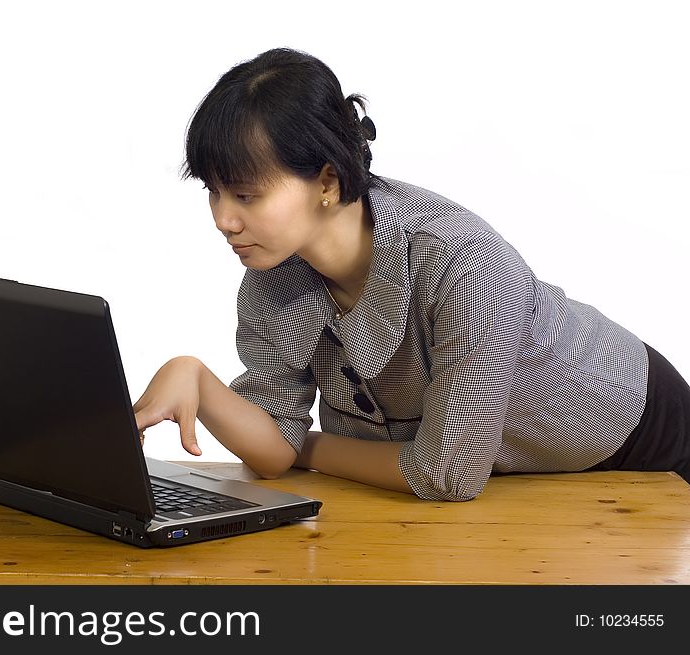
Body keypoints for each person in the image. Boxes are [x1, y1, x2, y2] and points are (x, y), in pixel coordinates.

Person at [132, 47, 690, 501]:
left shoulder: (456, 259)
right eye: (214, 192)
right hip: (526, 474)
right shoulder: (270, 279)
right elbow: (274, 448)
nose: (224, 220)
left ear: (327, 182)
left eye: (247, 194)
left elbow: (446, 474)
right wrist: (200, 383)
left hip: (639, 434)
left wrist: (310, 446)